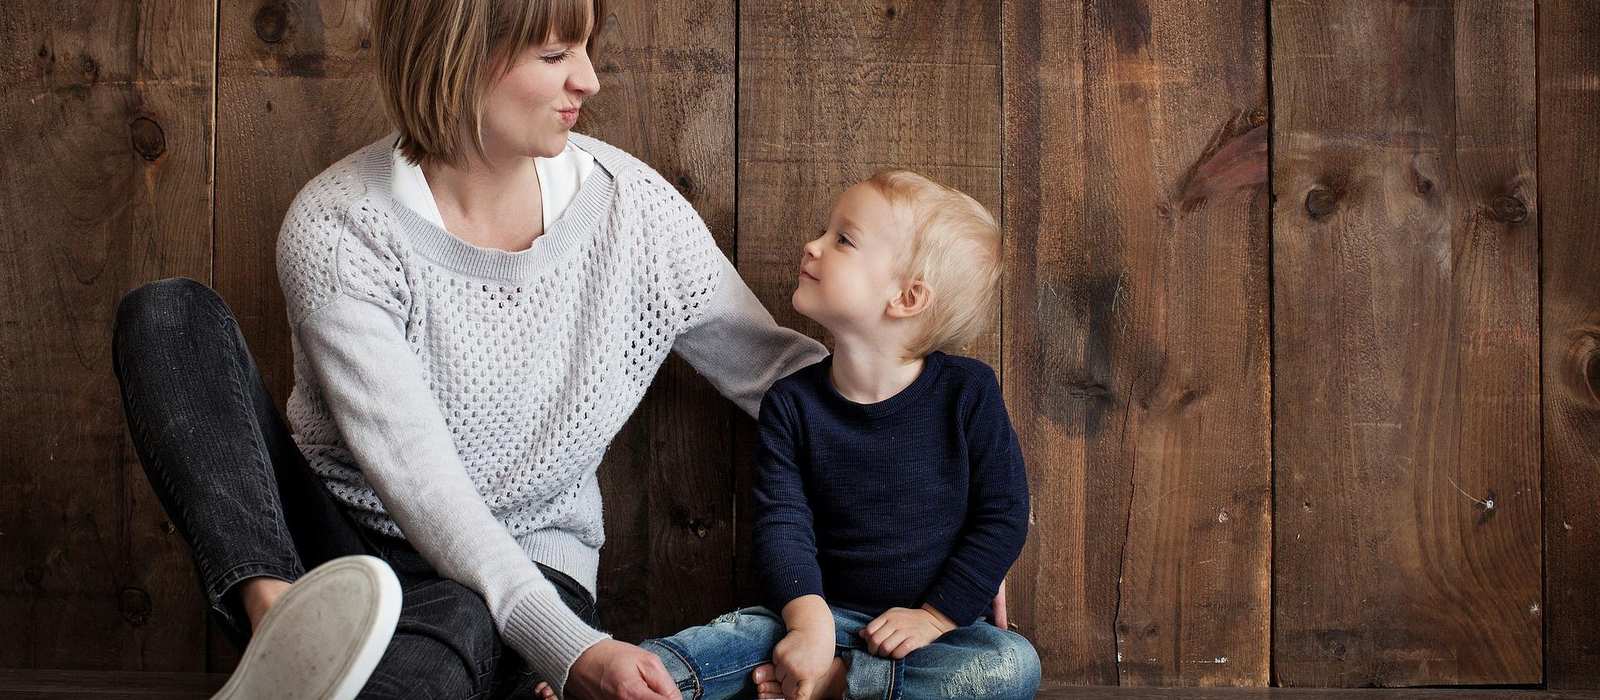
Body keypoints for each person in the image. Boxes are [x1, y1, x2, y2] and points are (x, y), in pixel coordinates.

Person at [110, 0, 827, 696]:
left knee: (459, 611)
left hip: (531, 572)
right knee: (168, 317)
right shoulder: (339, 226)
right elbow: (419, 480)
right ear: (458, 58)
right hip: (334, 548)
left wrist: (939, 404)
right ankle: (282, 629)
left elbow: (781, 377)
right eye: (554, 54)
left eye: (584, 47)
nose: (589, 79)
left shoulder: (635, 214)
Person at [634, 171, 1040, 700]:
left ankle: (841, 688)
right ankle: (631, 676)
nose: (813, 245)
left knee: (1012, 667)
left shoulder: (968, 393)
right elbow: (782, 524)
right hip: (818, 615)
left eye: (842, 240)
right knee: (736, 636)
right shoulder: (792, 403)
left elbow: (1004, 514)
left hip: (934, 635)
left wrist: (937, 618)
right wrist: (809, 625)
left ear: (907, 296)